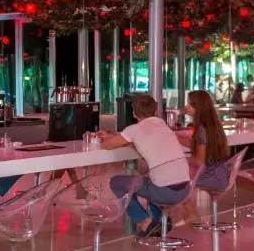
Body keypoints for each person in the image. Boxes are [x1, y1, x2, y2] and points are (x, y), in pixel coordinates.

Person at [98, 94, 190, 237]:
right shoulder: (162, 124)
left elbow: (107, 146)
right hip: (185, 189)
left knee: (117, 182)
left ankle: (145, 222)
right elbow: (137, 139)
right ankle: (160, 220)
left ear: (134, 113)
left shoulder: (133, 129)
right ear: (156, 111)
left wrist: (105, 138)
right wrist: (117, 137)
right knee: (148, 180)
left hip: (164, 192)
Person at [175, 90, 230, 225]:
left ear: (199, 107)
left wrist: (179, 158)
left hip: (212, 176)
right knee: (178, 173)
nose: (186, 107)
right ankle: (191, 214)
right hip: (221, 173)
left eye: (190, 104)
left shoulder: (201, 130)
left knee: (174, 177)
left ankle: (191, 214)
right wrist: (175, 136)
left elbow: (199, 161)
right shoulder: (211, 126)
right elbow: (198, 146)